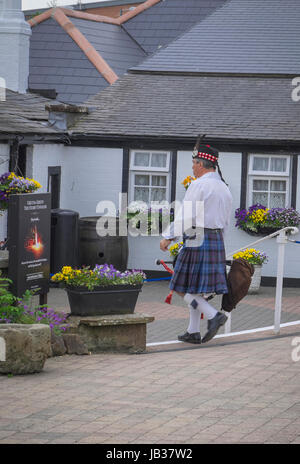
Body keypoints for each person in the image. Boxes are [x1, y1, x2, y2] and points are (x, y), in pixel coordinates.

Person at [160, 142, 233, 344]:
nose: (192, 167)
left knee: (180, 286)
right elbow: (226, 221)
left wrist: (168, 236)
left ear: (201, 164)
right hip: (215, 239)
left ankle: (213, 315)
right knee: (196, 289)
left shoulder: (198, 184)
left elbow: (186, 215)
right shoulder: (224, 188)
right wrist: (220, 242)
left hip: (197, 237)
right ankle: (193, 331)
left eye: (194, 163)